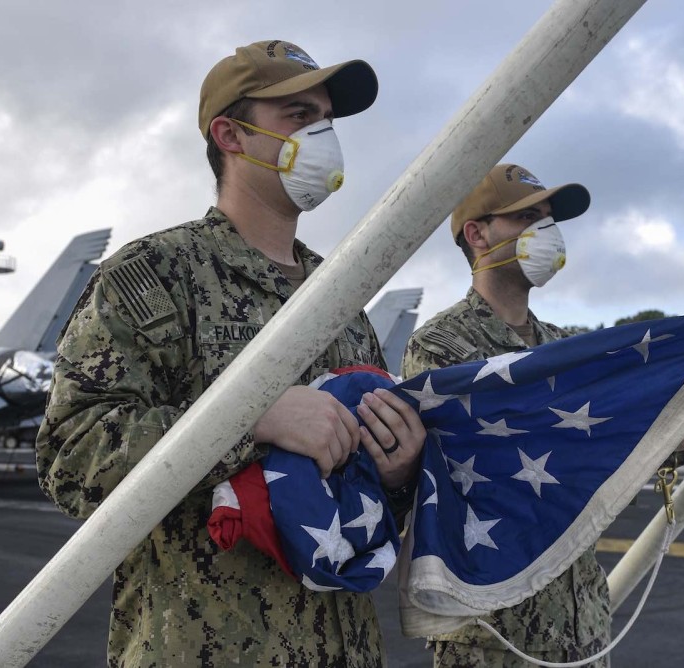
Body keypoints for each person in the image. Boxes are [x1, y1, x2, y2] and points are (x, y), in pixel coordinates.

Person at [36, 40, 425, 667]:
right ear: (230, 135)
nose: (323, 135)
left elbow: (365, 504)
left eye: (327, 119)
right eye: (299, 116)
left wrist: (398, 472)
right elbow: (72, 458)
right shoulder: (154, 276)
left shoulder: (343, 297)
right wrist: (250, 421)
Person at [401, 163, 684, 667]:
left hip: (582, 625)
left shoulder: (566, 348)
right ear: (477, 235)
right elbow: (482, 473)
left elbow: (610, 459)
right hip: (491, 634)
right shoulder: (440, 346)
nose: (546, 230)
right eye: (526, 218)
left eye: (548, 218)